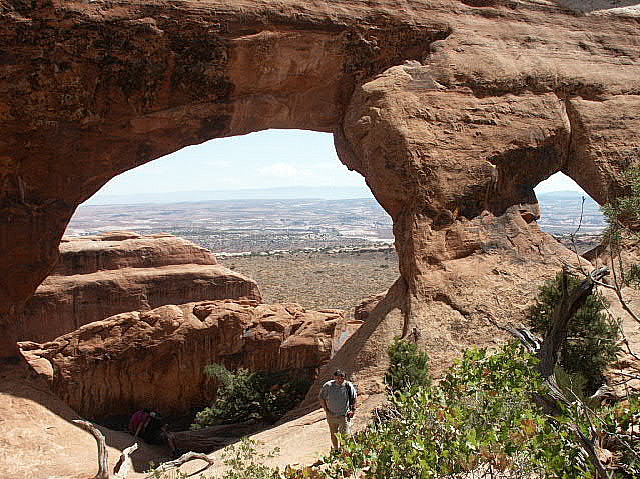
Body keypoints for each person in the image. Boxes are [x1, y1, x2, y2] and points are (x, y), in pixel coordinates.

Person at [318, 369, 357, 451]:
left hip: (344, 415)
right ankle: (336, 450)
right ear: (334, 377)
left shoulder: (348, 386)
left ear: (344, 378)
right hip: (331, 415)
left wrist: (353, 410)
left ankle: (345, 452)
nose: (339, 380)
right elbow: (321, 398)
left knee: (345, 435)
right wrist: (326, 411)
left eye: (341, 378)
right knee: (334, 434)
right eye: (338, 378)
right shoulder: (328, 386)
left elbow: (353, 398)